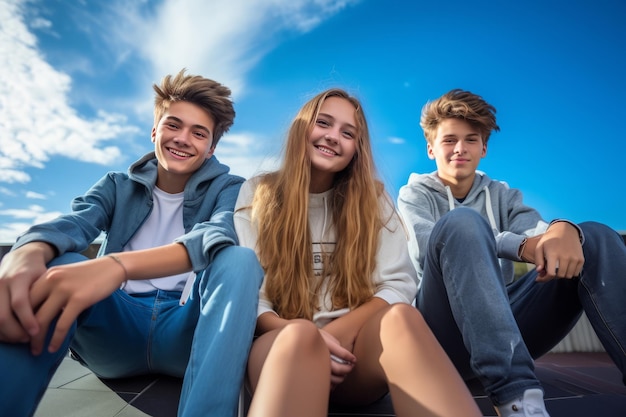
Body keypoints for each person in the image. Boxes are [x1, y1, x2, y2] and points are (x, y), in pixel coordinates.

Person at [0, 69, 263, 417]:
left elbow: (216, 235)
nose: (183, 139)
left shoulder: (229, 188)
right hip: (115, 333)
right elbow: (77, 223)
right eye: (173, 125)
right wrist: (29, 250)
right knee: (61, 266)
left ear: (211, 147)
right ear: (155, 130)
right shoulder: (116, 185)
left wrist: (116, 265)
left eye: (198, 133)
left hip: (186, 331)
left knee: (240, 260)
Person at [234, 88, 482, 417]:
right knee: (300, 338)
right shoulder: (257, 193)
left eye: (348, 132)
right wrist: (310, 338)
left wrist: (334, 336)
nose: (333, 137)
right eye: (323, 123)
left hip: (354, 357)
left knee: (402, 318)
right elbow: (251, 295)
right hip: (280, 347)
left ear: (356, 148)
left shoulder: (373, 200)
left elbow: (398, 283)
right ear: (301, 129)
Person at [397, 88, 626, 417]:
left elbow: (540, 233)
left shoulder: (501, 194)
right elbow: (423, 248)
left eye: (471, 139)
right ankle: (519, 399)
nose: (460, 148)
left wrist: (563, 228)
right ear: (431, 148)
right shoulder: (415, 194)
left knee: (595, 235)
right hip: (439, 337)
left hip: (502, 330)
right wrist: (518, 245)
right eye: (449, 140)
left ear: (484, 148)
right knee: (461, 223)